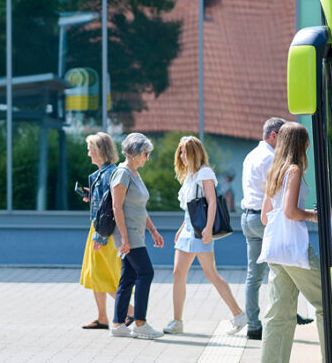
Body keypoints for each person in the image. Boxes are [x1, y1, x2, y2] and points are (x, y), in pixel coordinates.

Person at [258, 122, 326, 363]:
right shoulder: (294, 170)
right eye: (306, 142)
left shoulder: (274, 170)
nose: (308, 146)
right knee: (326, 301)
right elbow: (290, 212)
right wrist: (314, 215)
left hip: (275, 249)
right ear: (300, 144)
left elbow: (265, 217)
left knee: (280, 309)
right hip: (294, 248)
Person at [163, 136, 247, 336]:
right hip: (188, 228)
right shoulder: (190, 176)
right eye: (180, 152)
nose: (181, 156)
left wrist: (208, 228)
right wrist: (181, 228)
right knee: (177, 273)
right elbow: (191, 208)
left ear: (195, 153)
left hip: (200, 231)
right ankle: (177, 321)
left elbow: (212, 201)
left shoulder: (204, 173)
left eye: (185, 152)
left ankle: (239, 315)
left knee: (210, 273)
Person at [241, 117, 313, 339]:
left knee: (254, 275)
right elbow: (280, 200)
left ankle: (253, 324)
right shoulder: (273, 159)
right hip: (269, 219)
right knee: (282, 269)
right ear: (274, 135)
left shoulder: (251, 155)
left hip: (248, 217)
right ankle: (286, 311)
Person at [110, 132, 166, 339]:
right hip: (128, 233)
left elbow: (140, 207)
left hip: (137, 231)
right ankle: (140, 323)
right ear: (134, 154)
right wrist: (124, 238)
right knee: (146, 272)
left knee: (129, 276)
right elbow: (117, 207)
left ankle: (118, 324)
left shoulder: (135, 174)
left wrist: (153, 230)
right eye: (145, 154)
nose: (147, 158)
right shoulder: (122, 174)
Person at [78, 132, 132, 329]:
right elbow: (104, 204)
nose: (88, 153)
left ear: (99, 150)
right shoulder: (99, 174)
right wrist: (91, 196)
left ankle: (131, 311)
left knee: (104, 275)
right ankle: (102, 318)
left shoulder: (110, 174)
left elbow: (111, 209)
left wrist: (100, 236)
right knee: (95, 274)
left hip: (104, 231)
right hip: (98, 228)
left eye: (90, 149)